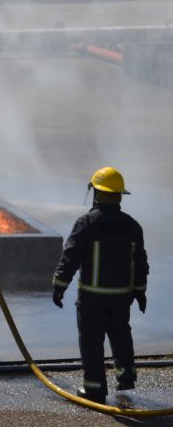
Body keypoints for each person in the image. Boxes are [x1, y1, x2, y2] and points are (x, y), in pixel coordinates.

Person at [52, 166, 148, 404]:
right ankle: (126, 377)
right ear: (119, 196)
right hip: (121, 296)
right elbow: (140, 262)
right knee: (121, 334)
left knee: (91, 341)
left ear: (96, 192)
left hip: (92, 297)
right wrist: (140, 291)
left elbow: (70, 257)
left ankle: (94, 388)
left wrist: (59, 285)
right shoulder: (132, 225)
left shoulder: (86, 223)